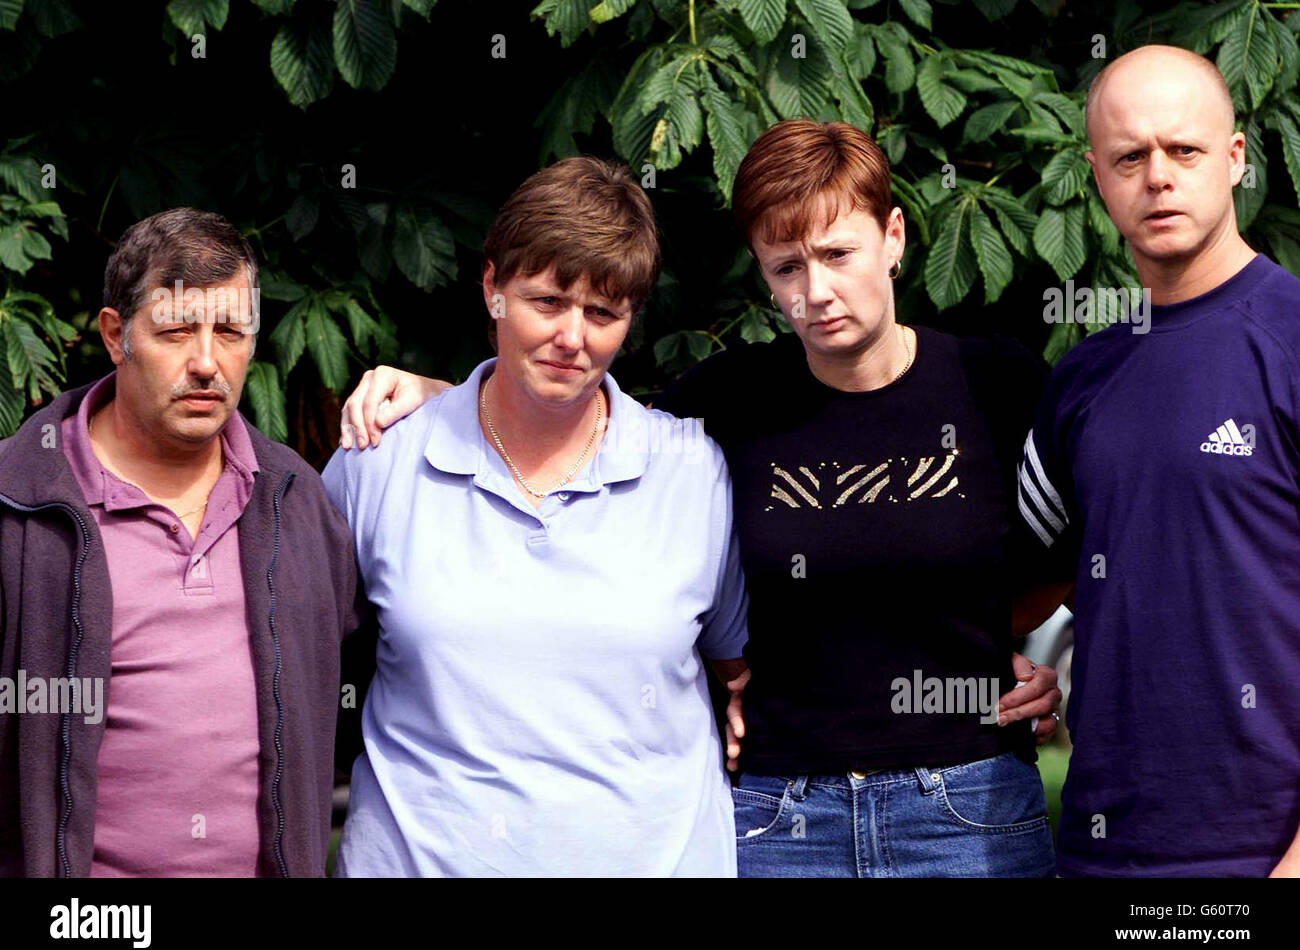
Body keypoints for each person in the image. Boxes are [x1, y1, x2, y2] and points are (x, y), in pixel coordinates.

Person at [339, 122, 1064, 877]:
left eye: (839, 255)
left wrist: (982, 659)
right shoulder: (730, 403)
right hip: (785, 811)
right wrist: (446, 397)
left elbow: (1069, 549)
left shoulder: (996, 385)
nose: (816, 292)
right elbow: (576, 402)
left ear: (893, 236)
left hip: (966, 800)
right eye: (786, 268)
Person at [321, 157, 750, 876]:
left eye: (603, 313)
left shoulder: (692, 471)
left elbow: (746, 670)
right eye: (547, 301)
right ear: (493, 288)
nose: (572, 338)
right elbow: (282, 662)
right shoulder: (380, 461)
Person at [0, 208, 370, 876]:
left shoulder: (296, 500)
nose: (206, 363)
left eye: (230, 330)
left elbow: (378, 685)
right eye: (175, 331)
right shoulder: (18, 503)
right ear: (116, 336)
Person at [1017, 44, 1300, 877]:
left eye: (1185, 149)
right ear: (1098, 177)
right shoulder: (1082, 378)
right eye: (1130, 156)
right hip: (1107, 852)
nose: (1159, 177)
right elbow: (1020, 586)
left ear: (1237, 159)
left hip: (1264, 854)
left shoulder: (1290, 341)